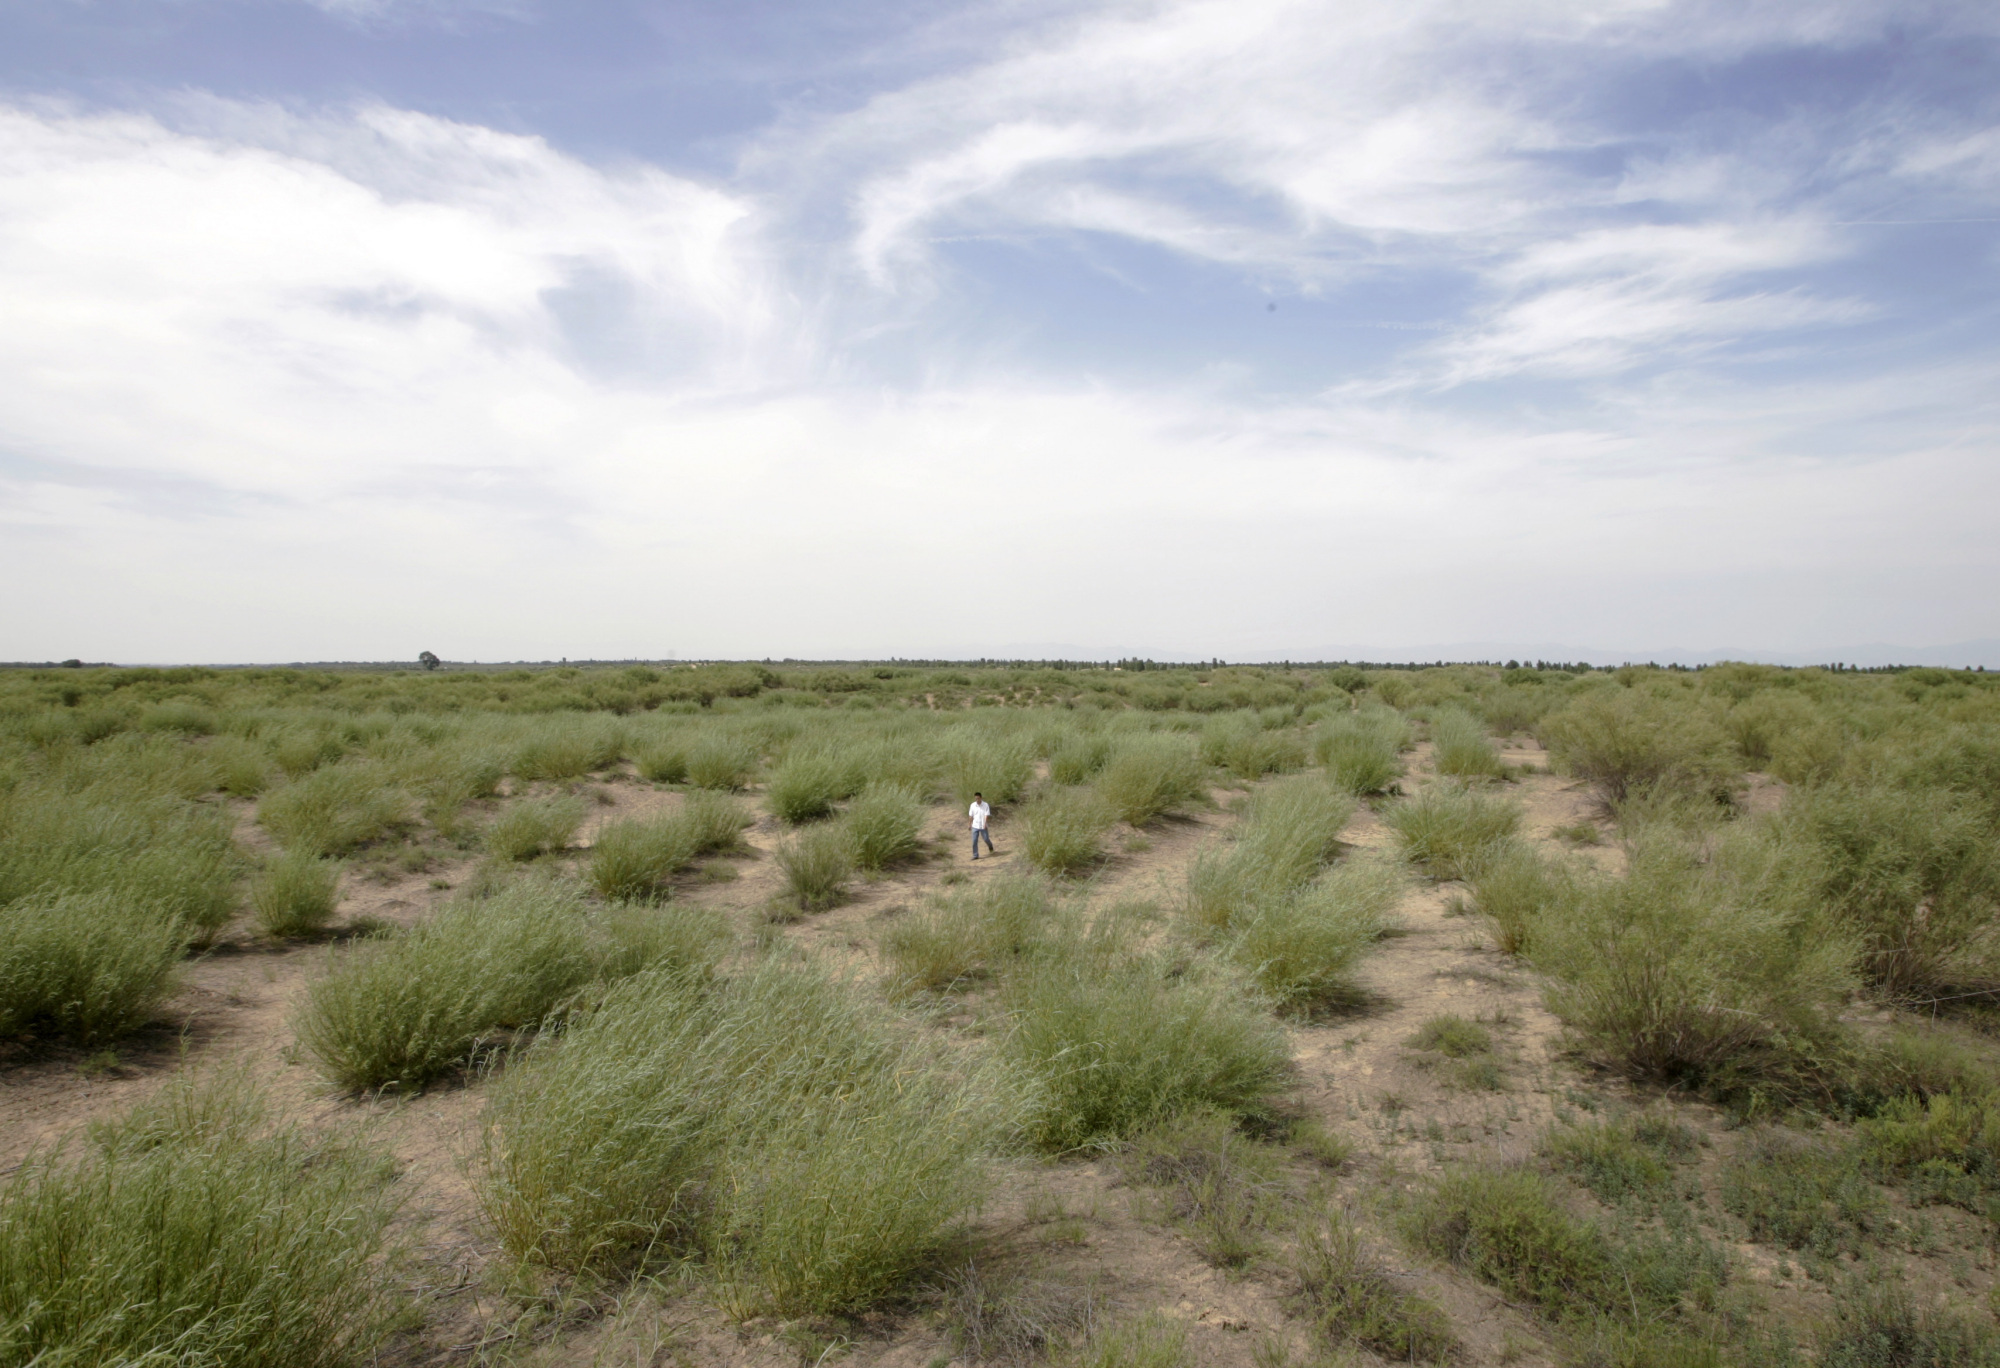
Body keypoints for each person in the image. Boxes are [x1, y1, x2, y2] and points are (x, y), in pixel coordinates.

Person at [969, 792, 994, 858]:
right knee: (974, 841)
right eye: (976, 798)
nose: (977, 800)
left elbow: (986, 815)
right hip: (975, 825)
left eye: (978, 798)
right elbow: (971, 816)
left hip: (983, 825)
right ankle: (975, 855)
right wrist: (969, 824)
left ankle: (990, 846)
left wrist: (985, 823)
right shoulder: (972, 805)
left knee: (986, 839)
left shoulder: (985, 805)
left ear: (981, 798)